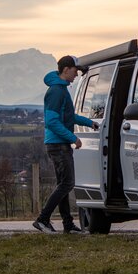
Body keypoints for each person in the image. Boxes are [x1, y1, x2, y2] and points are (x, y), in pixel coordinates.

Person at [33, 55, 98, 234]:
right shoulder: (56, 91)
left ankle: (67, 225)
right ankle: (42, 219)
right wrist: (73, 138)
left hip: (59, 143)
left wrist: (89, 122)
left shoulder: (61, 89)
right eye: (75, 70)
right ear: (66, 69)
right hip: (58, 144)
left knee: (63, 184)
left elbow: (69, 117)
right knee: (67, 184)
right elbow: (52, 122)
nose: (77, 74)